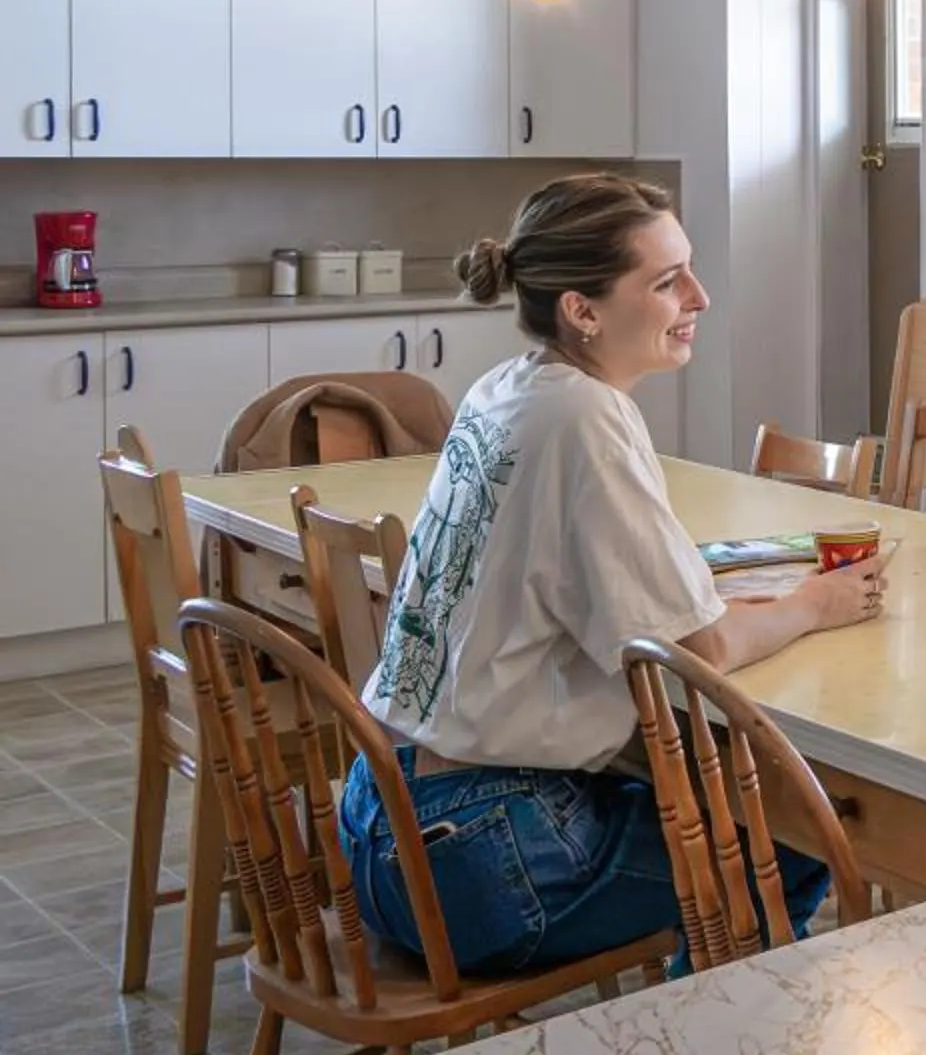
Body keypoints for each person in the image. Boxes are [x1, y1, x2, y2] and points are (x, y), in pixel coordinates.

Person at [337, 173, 890, 973]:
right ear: (583, 310)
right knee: (798, 832)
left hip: (383, 817)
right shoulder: (585, 417)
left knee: (724, 812)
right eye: (667, 282)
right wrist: (814, 602)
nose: (699, 295)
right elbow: (700, 647)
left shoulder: (508, 388)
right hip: (477, 856)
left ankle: (687, 1025)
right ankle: (719, 1047)